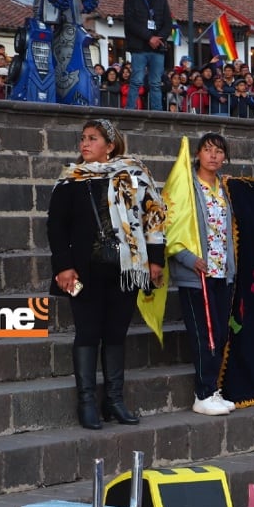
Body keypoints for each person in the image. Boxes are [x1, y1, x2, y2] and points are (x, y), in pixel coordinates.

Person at [47, 119, 166, 430]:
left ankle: (113, 399)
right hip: (82, 271)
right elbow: (56, 227)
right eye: (83, 138)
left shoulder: (134, 176)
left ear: (110, 146)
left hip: (126, 270)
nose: (85, 144)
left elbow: (153, 218)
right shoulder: (70, 180)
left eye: (93, 138)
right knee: (87, 333)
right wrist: (62, 266)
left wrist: (156, 261)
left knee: (115, 334)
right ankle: (86, 401)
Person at [168, 133, 237, 416]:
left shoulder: (225, 187)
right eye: (208, 150)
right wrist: (188, 258)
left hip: (222, 272)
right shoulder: (186, 186)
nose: (213, 156)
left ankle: (212, 389)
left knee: (219, 334)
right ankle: (203, 392)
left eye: (219, 151)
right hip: (196, 273)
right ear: (198, 153)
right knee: (204, 335)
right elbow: (171, 225)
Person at [123, 0, 172, 111]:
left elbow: (168, 24)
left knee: (156, 83)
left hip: (157, 48)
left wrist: (159, 38)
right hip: (139, 47)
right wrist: (149, 37)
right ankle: (130, 111)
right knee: (137, 81)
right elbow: (130, 22)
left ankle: (157, 113)